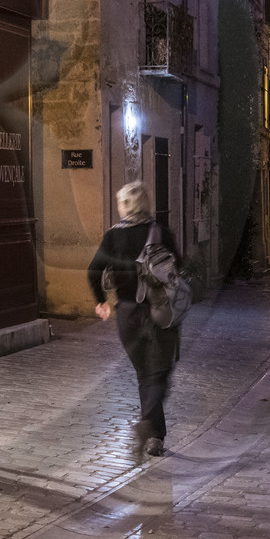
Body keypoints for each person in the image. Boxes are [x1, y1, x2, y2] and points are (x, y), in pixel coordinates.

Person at [87, 181, 181, 457]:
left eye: (120, 202)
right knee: (160, 371)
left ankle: (153, 435)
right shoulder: (161, 232)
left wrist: (101, 302)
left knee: (144, 373)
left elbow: (93, 270)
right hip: (161, 311)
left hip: (127, 312)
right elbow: (180, 265)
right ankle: (151, 429)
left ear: (127, 205)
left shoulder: (113, 236)